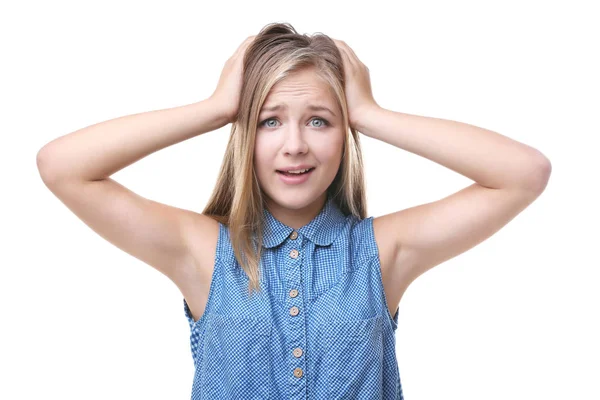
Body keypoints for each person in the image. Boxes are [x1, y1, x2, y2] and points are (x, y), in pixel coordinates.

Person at [37, 21, 551, 400]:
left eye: (320, 122)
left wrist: (370, 114)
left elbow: (524, 173)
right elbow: (61, 166)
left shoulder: (381, 253)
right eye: (269, 121)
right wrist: (215, 108)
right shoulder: (204, 254)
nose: (295, 145)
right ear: (245, 133)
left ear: (345, 135)